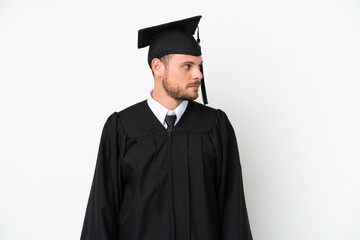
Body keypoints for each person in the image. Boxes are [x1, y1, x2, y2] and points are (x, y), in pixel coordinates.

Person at [80, 15, 252, 240]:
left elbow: (233, 212)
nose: (198, 74)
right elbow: (101, 213)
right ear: (158, 67)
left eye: (199, 66)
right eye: (187, 66)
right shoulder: (121, 128)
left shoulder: (215, 127)